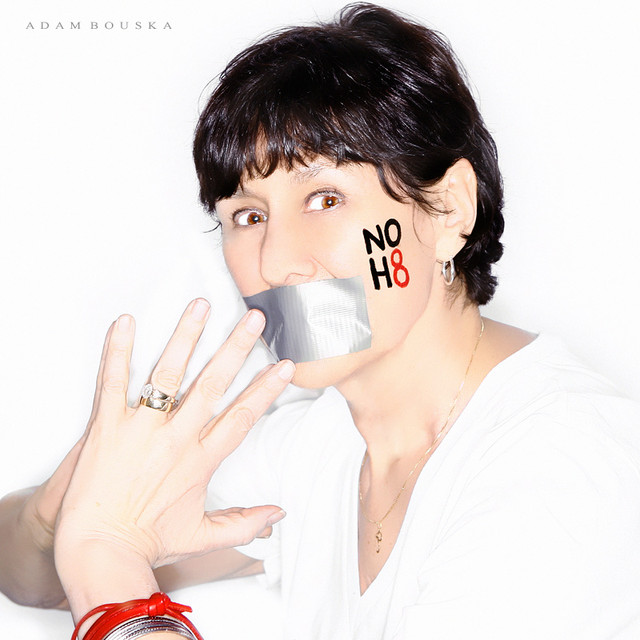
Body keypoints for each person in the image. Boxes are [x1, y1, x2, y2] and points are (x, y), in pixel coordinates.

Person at [2, 3, 640, 639]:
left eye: (325, 198)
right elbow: (36, 579)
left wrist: (105, 556)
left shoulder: (563, 464)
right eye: (248, 216)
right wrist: (68, 512)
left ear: (447, 210)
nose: (275, 264)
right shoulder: (321, 445)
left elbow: (94, 566)